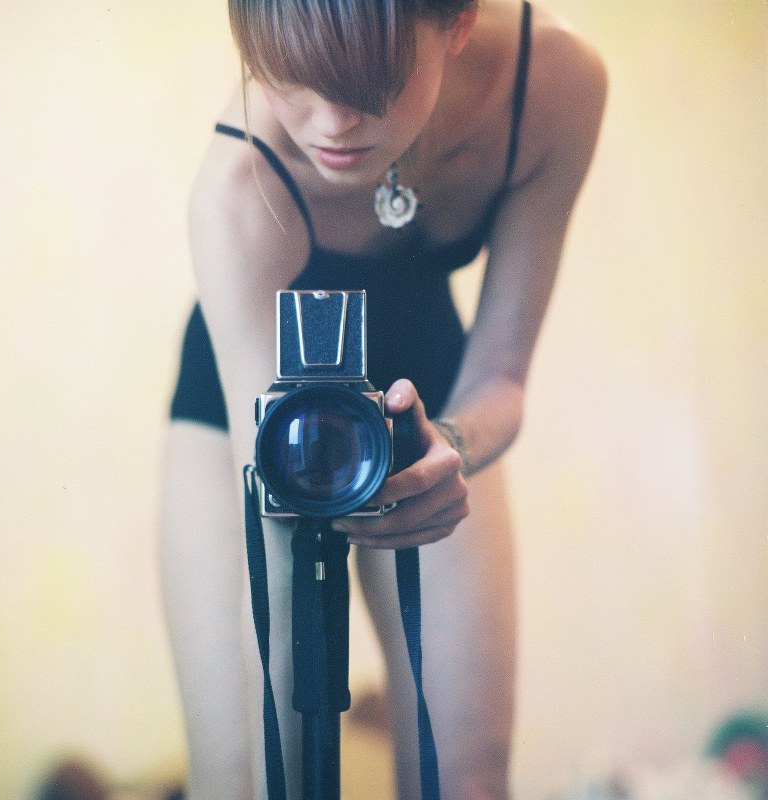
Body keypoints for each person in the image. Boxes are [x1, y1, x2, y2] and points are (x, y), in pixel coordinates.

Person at [160, 1, 606, 798]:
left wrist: (455, 445)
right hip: (253, 392)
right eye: (294, 79)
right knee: (246, 778)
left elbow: (500, 377)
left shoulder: (557, 85)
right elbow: (282, 541)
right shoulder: (235, 194)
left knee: (464, 776)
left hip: (427, 375)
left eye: (374, 85)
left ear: (459, 24)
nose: (332, 125)